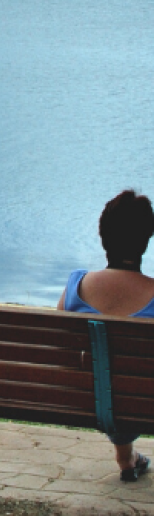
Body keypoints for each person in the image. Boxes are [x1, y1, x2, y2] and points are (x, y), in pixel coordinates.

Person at [58, 189, 154, 482]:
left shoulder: (76, 287)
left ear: (103, 237)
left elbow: (61, 346)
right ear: (146, 240)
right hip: (144, 402)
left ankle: (126, 458)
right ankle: (126, 456)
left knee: (111, 378)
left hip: (88, 401)